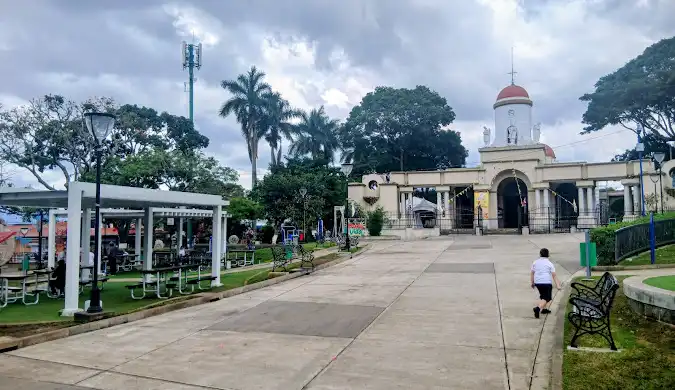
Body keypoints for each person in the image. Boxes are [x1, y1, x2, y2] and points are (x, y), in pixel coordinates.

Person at [531, 248, 561, 318]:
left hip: (538, 283)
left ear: (540, 254)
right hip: (546, 283)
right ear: (548, 255)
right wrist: (558, 285)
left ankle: (544, 309)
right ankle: (537, 309)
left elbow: (532, 273)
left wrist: (532, 283)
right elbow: (554, 275)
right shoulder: (549, 264)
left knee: (543, 296)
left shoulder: (535, 262)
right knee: (547, 298)